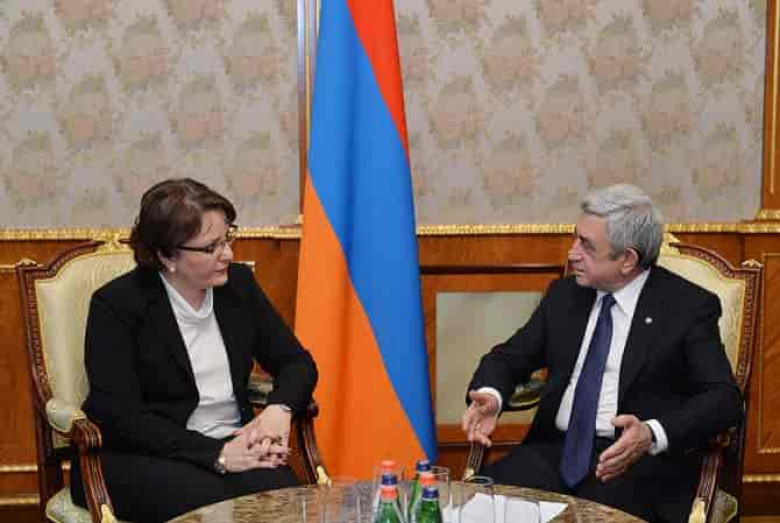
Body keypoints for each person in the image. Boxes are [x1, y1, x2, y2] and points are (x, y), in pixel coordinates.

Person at [461, 184, 742, 523]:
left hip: (633, 468)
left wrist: (650, 433)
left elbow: (723, 398)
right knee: (474, 511)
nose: (572, 254)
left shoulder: (686, 307)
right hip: (554, 453)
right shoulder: (565, 295)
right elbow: (509, 356)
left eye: (587, 246)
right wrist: (492, 396)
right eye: (576, 239)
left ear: (627, 260)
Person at [71, 178, 318, 523]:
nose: (228, 254)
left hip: (234, 445)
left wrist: (280, 409)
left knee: (285, 502)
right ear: (166, 255)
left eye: (228, 238)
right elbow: (120, 416)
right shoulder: (118, 305)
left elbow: (296, 362)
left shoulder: (238, 286)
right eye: (211, 247)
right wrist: (217, 454)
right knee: (216, 510)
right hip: (143, 457)